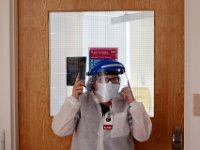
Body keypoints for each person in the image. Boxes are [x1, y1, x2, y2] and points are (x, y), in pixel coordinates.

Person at [52, 59, 152, 150]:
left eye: (115, 79)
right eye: (105, 80)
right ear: (93, 83)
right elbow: (60, 130)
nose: (110, 84)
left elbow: (143, 135)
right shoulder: (82, 102)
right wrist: (73, 99)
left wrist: (133, 103)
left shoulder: (125, 104)